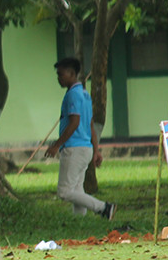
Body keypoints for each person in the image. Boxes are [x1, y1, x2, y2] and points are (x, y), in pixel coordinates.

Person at [44, 57, 116, 220]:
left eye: (61, 75)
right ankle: (79, 221)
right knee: (77, 190)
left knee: (64, 192)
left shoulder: (73, 95)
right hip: (86, 148)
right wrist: (96, 150)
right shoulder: (85, 95)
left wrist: (56, 145)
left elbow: (75, 122)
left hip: (74, 148)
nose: (59, 78)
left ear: (72, 74)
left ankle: (103, 208)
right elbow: (90, 125)